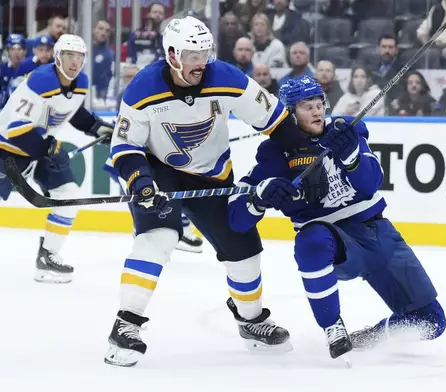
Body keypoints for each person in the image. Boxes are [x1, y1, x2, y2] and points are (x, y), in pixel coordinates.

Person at [104, 16, 306, 367]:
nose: (200, 62)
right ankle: (125, 325)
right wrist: (140, 180)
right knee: (159, 235)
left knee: (244, 248)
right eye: (191, 55)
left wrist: (306, 154)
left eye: (204, 54)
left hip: (213, 175)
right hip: (158, 171)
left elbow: (276, 121)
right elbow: (123, 146)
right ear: (171, 54)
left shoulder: (226, 78)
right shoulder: (143, 88)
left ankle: (251, 320)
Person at [227, 76, 446, 360]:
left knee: (431, 321)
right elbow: (236, 219)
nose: (318, 111)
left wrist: (352, 156)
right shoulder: (276, 154)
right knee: (311, 240)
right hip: (333, 242)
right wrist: (258, 198)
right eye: (307, 107)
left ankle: (373, 335)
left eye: (320, 104)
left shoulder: (345, 132)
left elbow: (371, 183)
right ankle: (333, 327)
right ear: (290, 113)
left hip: (378, 233)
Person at [0, 34, 113, 283]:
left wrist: (99, 128)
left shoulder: (80, 81)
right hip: (6, 149)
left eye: (79, 57)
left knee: (69, 196)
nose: (74, 62)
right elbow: (16, 130)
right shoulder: (40, 81)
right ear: (57, 57)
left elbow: (73, 112)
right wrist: (46, 148)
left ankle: (47, 256)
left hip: (39, 149)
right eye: (69, 56)